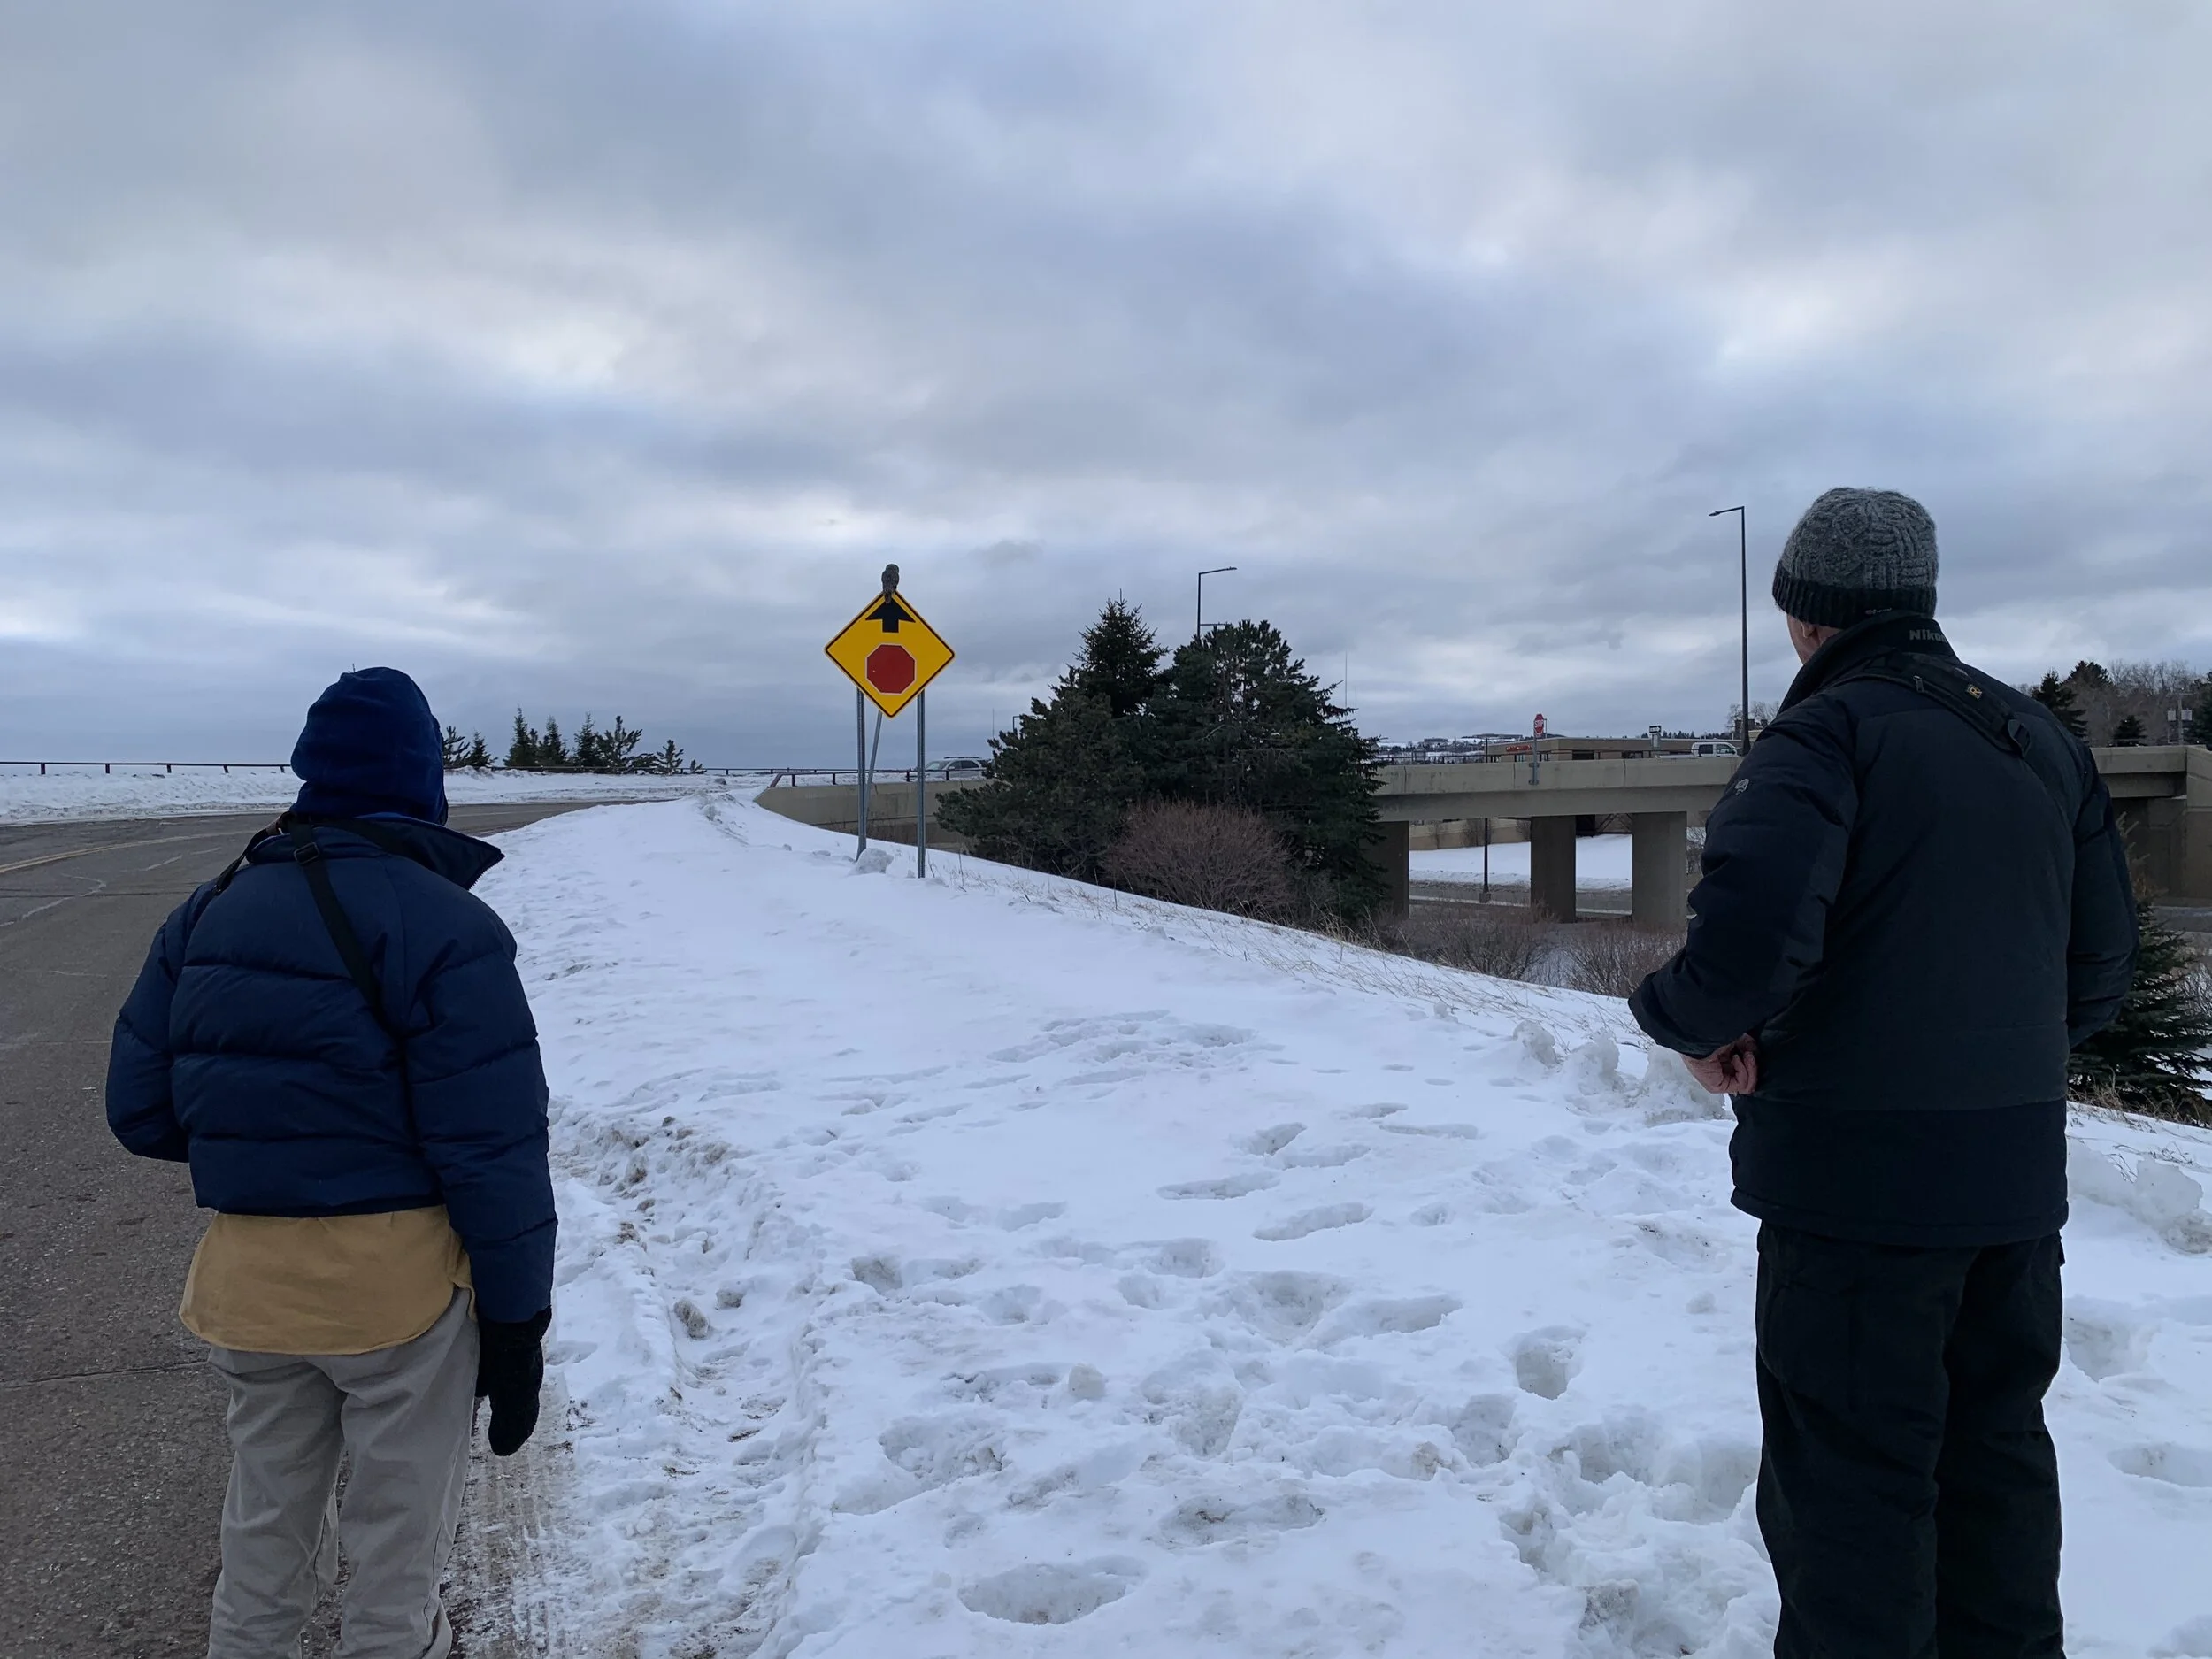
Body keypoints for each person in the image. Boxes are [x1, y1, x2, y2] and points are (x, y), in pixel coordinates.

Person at [1630, 488, 2138, 1659]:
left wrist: (1681, 1020)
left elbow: (1746, 951)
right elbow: (2098, 976)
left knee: (1852, 1505)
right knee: (1997, 1480)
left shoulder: (1825, 736)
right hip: (2012, 1193)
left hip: (1855, 1203)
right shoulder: (2041, 743)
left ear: (1806, 615)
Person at [105, 668, 557, 1659]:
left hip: (248, 1283)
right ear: (421, 782)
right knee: (395, 1554)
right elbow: (493, 1151)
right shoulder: (446, 926)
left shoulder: (206, 910)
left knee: (263, 1536)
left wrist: (265, 1136)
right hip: (395, 1293)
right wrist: (519, 1323)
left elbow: (140, 1113)